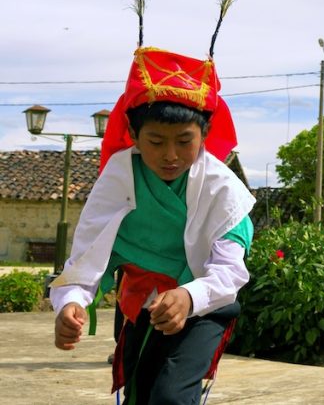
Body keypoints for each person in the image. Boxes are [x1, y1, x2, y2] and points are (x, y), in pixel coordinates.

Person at [51, 50, 255, 403]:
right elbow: (86, 261)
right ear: (132, 132)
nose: (170, 155)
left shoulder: (224, 192)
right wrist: (70, 302)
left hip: (204, 304)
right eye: (156, 142)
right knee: (139, 395)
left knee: (170, 397)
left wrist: (188, 295)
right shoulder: (117, 177)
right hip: (142, 301)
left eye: (185, 141)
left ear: (204, 133)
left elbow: (229, 273)